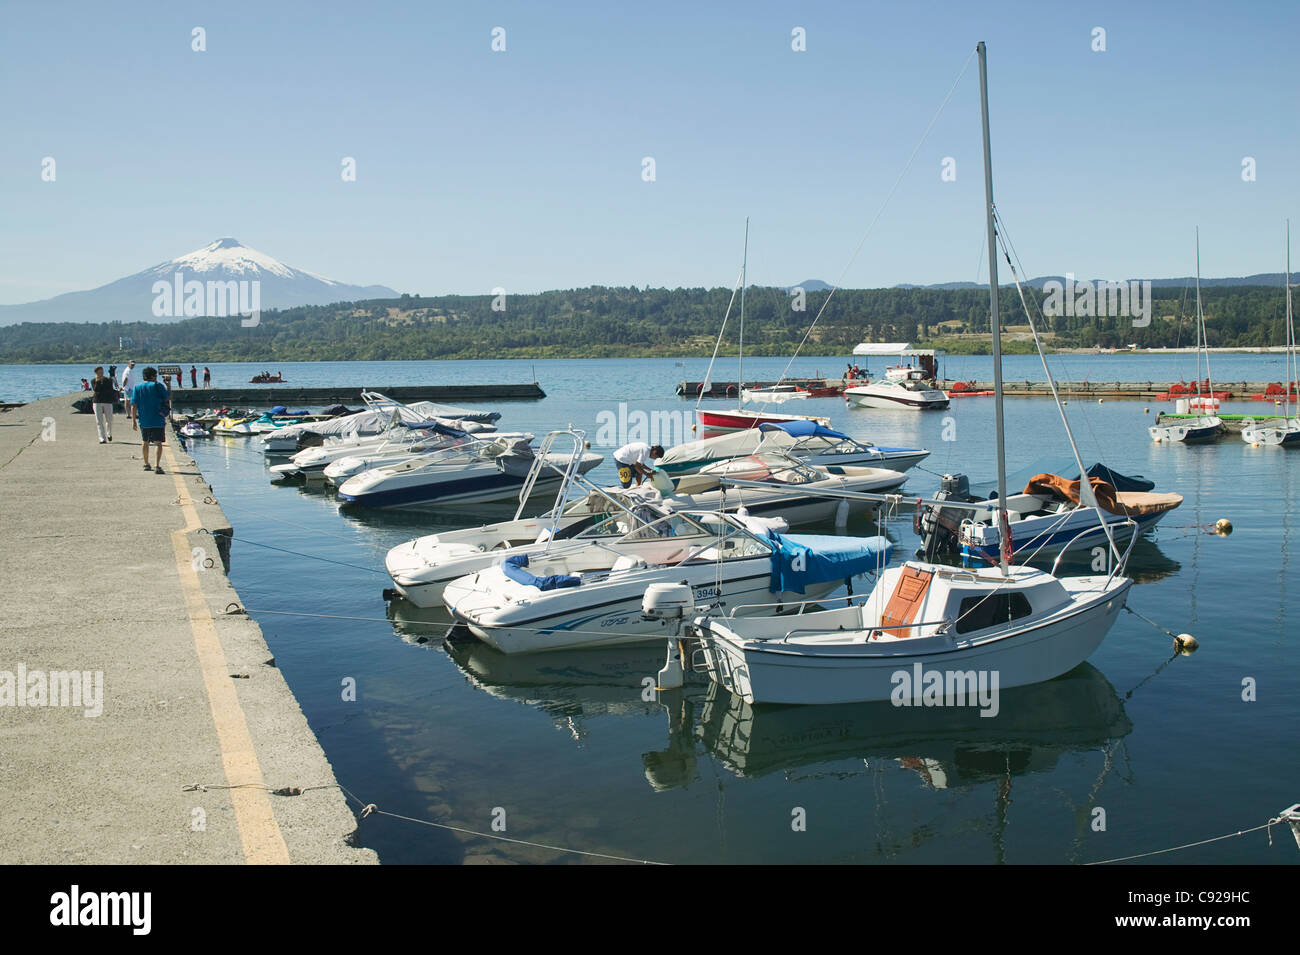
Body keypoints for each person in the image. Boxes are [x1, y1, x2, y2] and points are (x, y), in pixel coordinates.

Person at [130, 367, 171, 474]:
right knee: (158, 443)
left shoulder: (137, 388)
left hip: (144, 420)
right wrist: (168, 384)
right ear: (153, 376)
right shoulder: (158, 386)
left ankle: (146, 464)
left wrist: (133, 420)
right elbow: (168, 397)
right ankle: (157, 466)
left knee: (145, 442)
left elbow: (133, 406)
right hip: (158, 419)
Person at [90, 366, 117, 443]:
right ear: (96, 373)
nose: (101, 373)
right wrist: (98, 381)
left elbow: (110, 389)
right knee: (99, 421)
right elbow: (96, 389)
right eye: (99, 372)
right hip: (97, 401)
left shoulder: (108, 380)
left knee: (109, 419)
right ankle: (102, 438)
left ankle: (109, 434)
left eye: (102, 372)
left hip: (107, 401)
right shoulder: (93, 381)